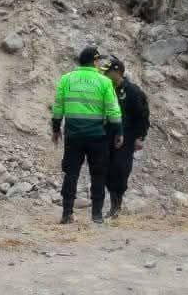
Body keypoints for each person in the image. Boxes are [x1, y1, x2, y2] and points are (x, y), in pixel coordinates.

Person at [51, 45, 123, 224]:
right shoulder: (104, 81)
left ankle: (67, 214)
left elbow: (58, 106)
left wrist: (55, 128)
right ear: (94, 61)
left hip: (73, 136)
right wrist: (118, 131)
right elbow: (113, 110)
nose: (100, 64)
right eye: (99, 61)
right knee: (98, 174)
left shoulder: (66, 79)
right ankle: (96, 215)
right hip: (97, 136)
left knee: (71, 174)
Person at [101, 57, 150, 218]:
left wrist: (140, 137)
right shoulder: (106, 89)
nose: (105, 75)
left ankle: (117, 204)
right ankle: (113, 204)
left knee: (120, 169)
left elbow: (142, 116)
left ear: (117, 72)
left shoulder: (133, 91)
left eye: (108, 72)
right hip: (107, 135)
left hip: (127, 137)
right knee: (106, 170)